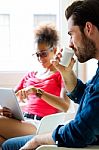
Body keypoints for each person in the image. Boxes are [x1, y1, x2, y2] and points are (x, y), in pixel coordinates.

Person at [2, 0, 99, 149]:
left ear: (88, 28)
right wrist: (67, 74)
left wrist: (37, 140)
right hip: (28, 121)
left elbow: (80, 131)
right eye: (37, 54)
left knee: (8, 145)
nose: (70, 44)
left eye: (71, 34)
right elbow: (85, 96)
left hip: (44, 126)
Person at [0, 23, 70, 144]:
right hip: (24, 120)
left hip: (41, 125)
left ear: (54, 50)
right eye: (37, 54)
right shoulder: (31, 75)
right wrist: (6, 111)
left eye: (43, 54)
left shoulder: (60, 75)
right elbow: (12, 98)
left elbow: (65, 106)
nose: (40, 59)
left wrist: (36, 91)